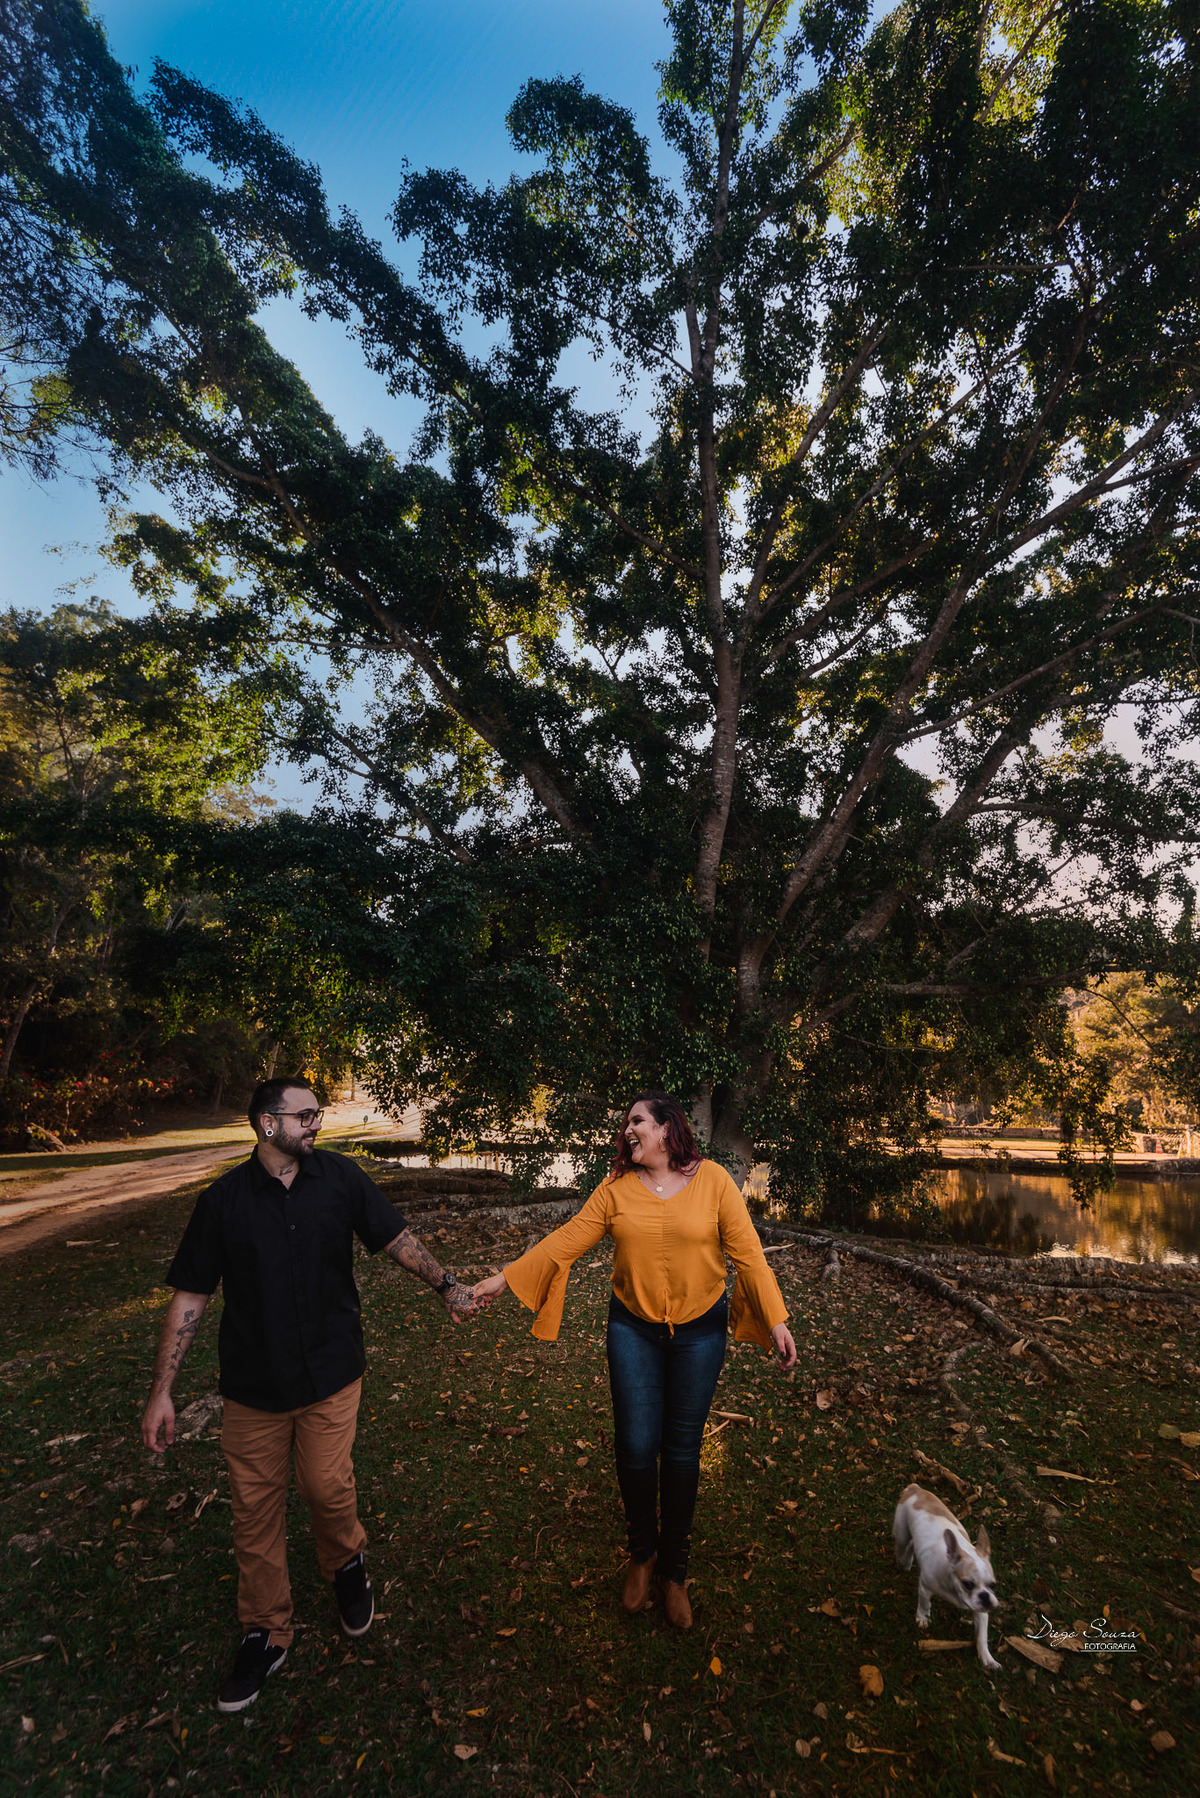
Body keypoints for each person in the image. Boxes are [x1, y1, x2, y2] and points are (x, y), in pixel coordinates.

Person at [140, 1077, 478, 1713]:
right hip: (253, 1386)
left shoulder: (340, 1179)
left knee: (327, 1486)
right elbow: (191, 1294)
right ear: (268, 1125)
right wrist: (164, 1391)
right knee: (254, 1512)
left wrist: (447, 1286)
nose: (316, 1125)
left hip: (330, 1372)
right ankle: (266, 1630)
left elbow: (395, 1238)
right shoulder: (223, 1201)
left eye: (318, 1115)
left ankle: (346, 1563)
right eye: (306, 1116)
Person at [473, 1091, 796, 1629]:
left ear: (668, 1128)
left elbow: (747, 1253)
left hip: (699, 1332)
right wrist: (504, 1279)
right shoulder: (616, 1190)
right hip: (633, 1330)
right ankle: (642, 1555)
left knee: (683, 1451)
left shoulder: (714, 1180)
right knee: (635, 1445)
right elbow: (568, 1239)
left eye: (637, 1120)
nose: (628, 1129)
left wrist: (777, 1320)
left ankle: (675, 1572)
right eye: (626, 1123)